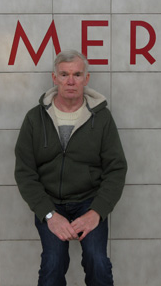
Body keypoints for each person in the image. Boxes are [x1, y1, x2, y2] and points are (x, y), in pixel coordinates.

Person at [14, 49, 127, 286]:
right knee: (53, 263)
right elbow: (25, 173)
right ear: (54, 78)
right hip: (50, 203)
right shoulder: (34, 119)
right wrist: (48, 214)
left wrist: (97, 212)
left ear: (86, 78)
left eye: (77, 74)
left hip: (89, 201)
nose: (71, 81)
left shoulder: (102, 118)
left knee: (97, 261)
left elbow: (116, 169)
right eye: (64, 74)